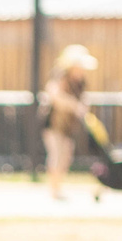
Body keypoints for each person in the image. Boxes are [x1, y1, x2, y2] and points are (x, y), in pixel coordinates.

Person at [41, 45, 95, 199]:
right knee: (56, 155)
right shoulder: (60, 78)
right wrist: (74, 105)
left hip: (68, 127)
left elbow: (84, 100)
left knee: (66, 156)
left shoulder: (80, 82)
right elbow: (55, 96)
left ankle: (58, 187)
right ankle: (54, 190)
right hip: (53, 125)